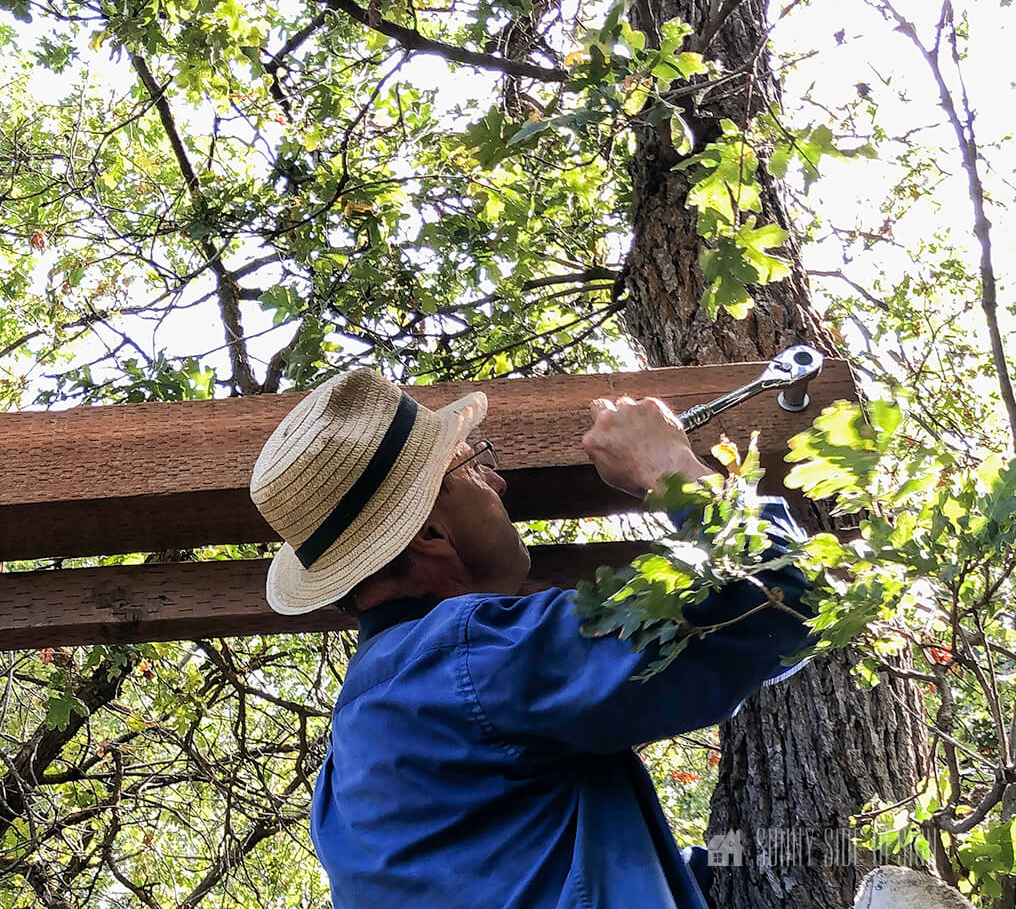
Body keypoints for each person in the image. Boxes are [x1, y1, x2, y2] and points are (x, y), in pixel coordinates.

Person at [250, 367, 816, 909]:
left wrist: (737, 862)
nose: (499, 481)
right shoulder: (473, 659)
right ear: (428, 531)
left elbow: (568, 874)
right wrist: (668, 466)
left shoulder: (346, 769)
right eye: (475, 466)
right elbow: (779, 600)